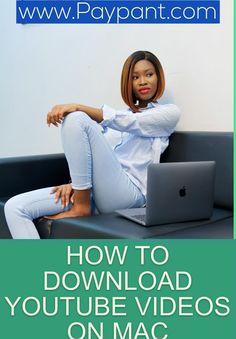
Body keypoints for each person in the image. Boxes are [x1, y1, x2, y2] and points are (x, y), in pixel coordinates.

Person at [4, 50, 180, 239]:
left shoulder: (167, 114)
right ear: (128, 83)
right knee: (15, 208)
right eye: (135, 77)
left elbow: (131, 122)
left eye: (149, 74)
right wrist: (76, 185)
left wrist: (78, 106)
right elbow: (96, 157)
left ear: (159, 77)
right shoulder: (115, 120)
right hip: (95, 193)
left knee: (75, 118)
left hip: (131, 196)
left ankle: (81, 207)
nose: (143, 81)